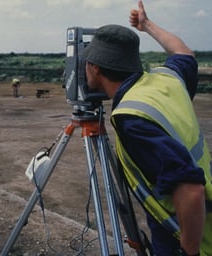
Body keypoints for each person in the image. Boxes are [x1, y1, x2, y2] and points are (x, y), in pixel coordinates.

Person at [82, 1, 211, 255]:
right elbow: (184, 53)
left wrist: (189, 251)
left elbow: (191, 190)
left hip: (184, 235)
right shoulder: (166, 79)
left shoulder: (131, 118)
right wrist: (146, 25)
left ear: (95, 68)